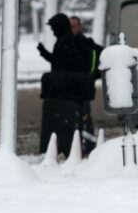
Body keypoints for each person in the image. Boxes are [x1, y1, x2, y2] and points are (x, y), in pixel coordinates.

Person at [36, 12, 96, 158]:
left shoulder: (69, 42)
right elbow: (59, 63)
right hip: (68, 91)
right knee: (79, 120)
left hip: (70, 92)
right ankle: (82, 145)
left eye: (54, 28)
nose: (53, 31)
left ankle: (85, 146)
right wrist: (44, 53)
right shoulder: (65, 41)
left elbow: (64, 65)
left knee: (80, 121)